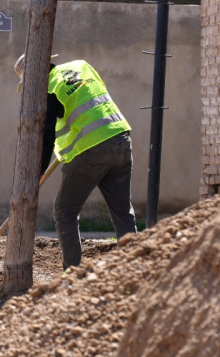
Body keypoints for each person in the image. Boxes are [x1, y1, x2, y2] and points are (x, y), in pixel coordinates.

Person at [14, 54, 137, 270]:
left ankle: (72, 275)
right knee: (122, 211)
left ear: (32, 76)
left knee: (64, 211)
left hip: (91, 150)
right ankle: (135, 269)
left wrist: (37, 173)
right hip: (121, 137)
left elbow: (46, 137)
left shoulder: (48, 88)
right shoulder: (82, 66)